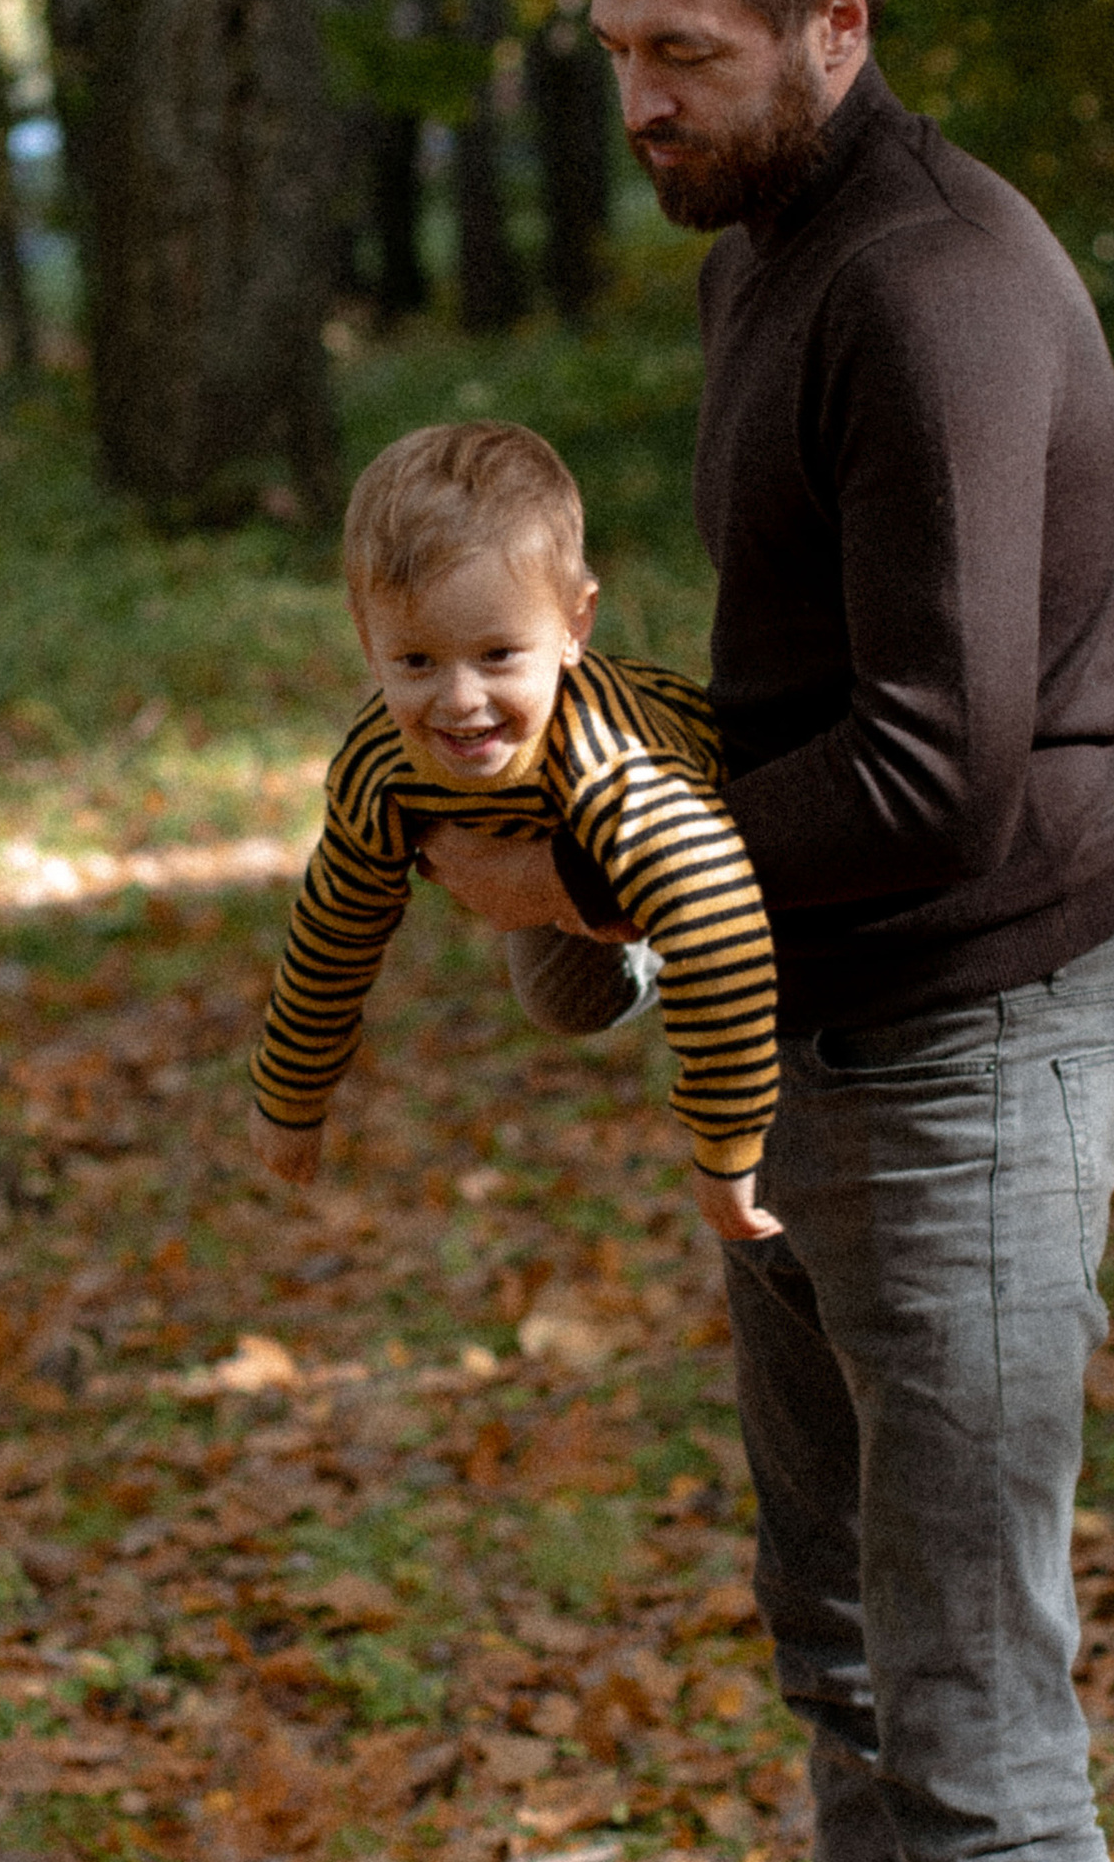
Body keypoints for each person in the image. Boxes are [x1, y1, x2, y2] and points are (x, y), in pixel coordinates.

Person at [418, 0, 1114, 1862]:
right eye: (610, 57)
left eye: (683, 55)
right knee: (842, 1675)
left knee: (981, 1746)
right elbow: (787, 708)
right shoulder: (755, 259)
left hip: (964, 1067)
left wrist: (598, 875)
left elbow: (936, 778)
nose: (640, 105)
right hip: (801, 1058)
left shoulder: (938, 292)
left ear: (834, 18)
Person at [247, 418, 782, 1244]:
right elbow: (334, 926)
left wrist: (726, 1152)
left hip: (716, 860)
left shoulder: (622, 770)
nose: (461, 702)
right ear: (366, 636)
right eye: (418, 662)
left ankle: (648, 934)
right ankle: (622, 944)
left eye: (498, 655)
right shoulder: (379, 764)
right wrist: (290, 1098)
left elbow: (723, 940)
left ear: (575, 626)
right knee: (558, 999)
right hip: (543, 832)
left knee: (710, 943)